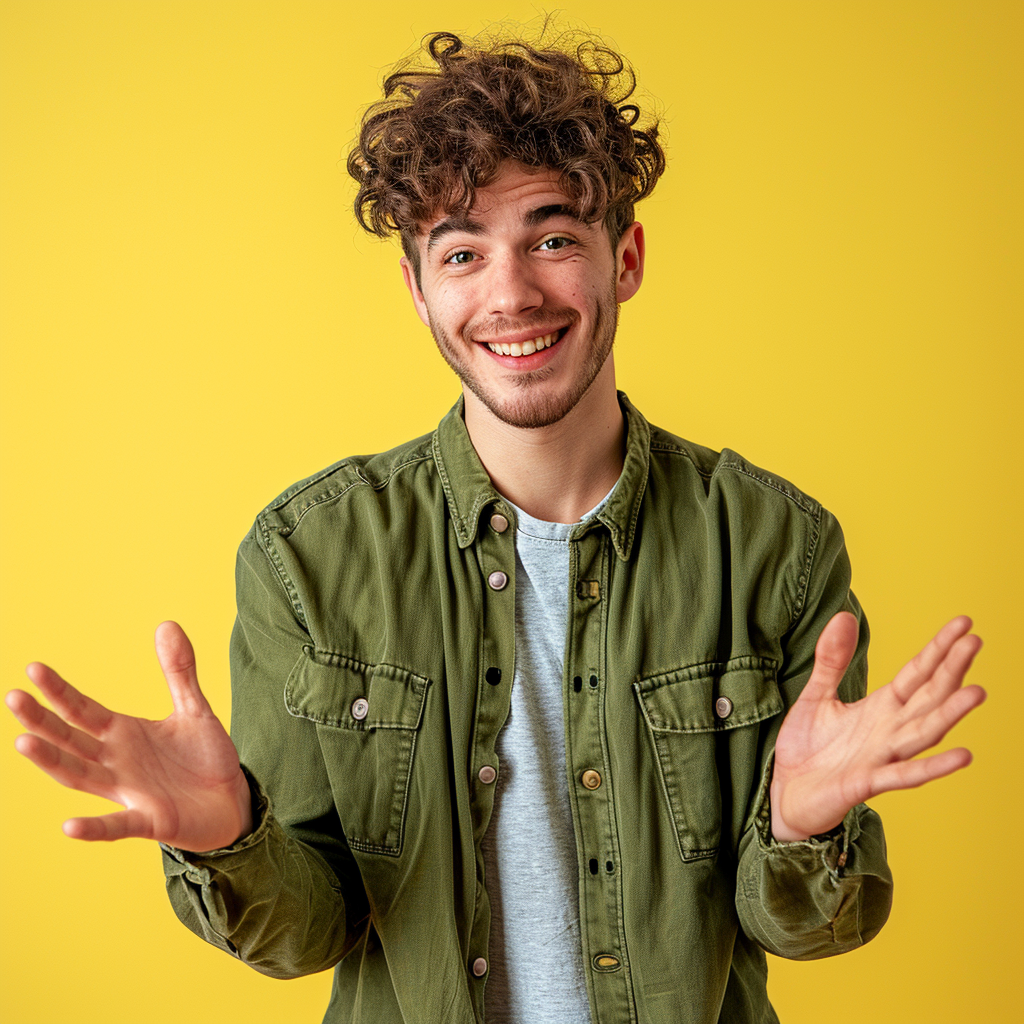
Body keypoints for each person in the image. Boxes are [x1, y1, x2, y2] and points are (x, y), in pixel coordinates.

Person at [5, 28, 986, 1024]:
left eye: (552, 238)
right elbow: (307, 933)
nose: (510, 292)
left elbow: (811, 928)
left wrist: (799, 824)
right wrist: (228, 834)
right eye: (462, 253)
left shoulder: (773, 548)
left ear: (627, 257)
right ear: (418, 289)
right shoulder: (307, 558)